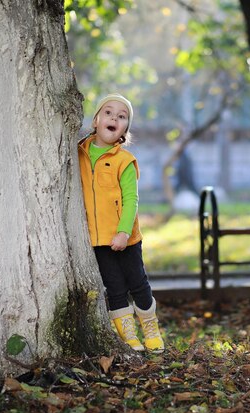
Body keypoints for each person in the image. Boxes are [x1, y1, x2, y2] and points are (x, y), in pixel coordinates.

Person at [77, 93, 164, 353]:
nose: (114, 117)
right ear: (95, 121)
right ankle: (128, 336)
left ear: (124, 130)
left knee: (137, 283)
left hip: (125, 237)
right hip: (97, 239)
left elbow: (131, 200)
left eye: (121, 116)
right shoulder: (78, 153)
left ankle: (150, 329)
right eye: (108, 112)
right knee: (114, 287)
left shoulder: (124, 161)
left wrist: (124, 232)